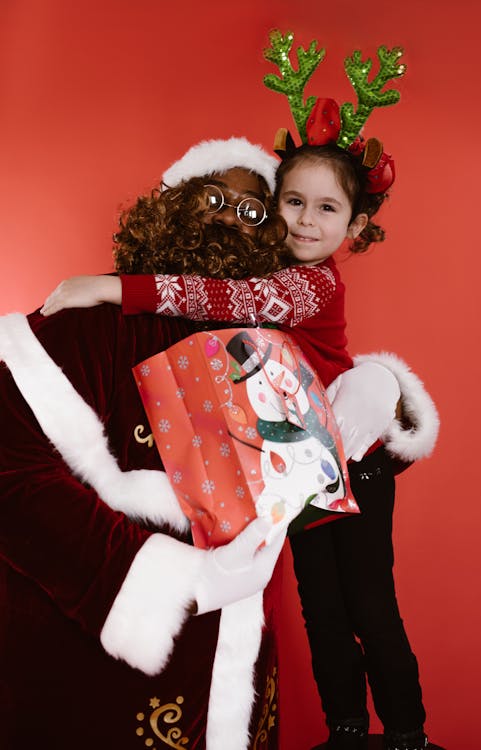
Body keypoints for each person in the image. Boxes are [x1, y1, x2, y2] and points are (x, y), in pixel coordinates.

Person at [39, 137, 440, 750]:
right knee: (321, 610)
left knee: (369, 606)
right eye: (293, 202)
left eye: (327, 209)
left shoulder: (312, 283)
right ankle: (348, 733)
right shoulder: (263, 266)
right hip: (300, 464)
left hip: (354, 462)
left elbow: (235, 302)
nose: (306, 220)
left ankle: (409, 735)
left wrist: (114, 287)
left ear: (355, 224)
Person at [0, 138, 312, 750]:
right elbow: (10, 468)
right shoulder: (90, 320)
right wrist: (173, 584)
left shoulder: (271, 350)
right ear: (172, 207)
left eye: (253, 211)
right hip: (96, 667)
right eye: (214, 197)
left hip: (232, 664)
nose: (230, 218)